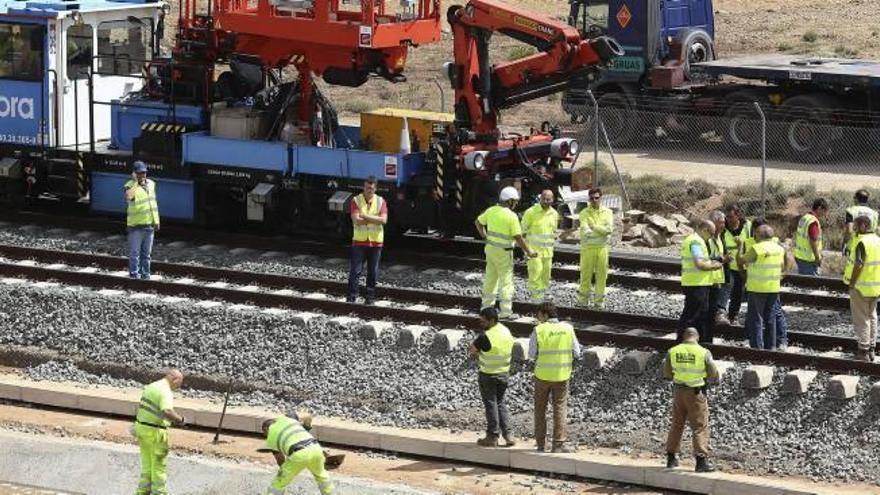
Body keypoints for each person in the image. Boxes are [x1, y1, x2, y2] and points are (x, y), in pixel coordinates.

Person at [475, 187, 537, 318]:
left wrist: (485, 237)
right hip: (504, 252)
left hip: (491, 249)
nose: (515, 204)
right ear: (510, 201)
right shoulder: (511, 216)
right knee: (506, 281)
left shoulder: (491, 210)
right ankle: (506, 311)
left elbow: (478, 222)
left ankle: (486, 307)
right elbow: (518, 237)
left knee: (490, 278)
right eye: (514, 201)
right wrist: (529, 251)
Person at [664, 327, 719, 473]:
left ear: (684, 337)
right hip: (695, 393)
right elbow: (713, 373)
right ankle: (701, 462)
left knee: (676, 424)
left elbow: (667, 373)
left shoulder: (673, 351)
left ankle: (671, 458)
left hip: (678, 392)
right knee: (699, 426)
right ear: (697, 337)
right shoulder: (703, 352)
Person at [528, 301, 580, 453]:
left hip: (542, 376)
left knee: (540, 409)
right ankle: (558, 444)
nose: (538, 318)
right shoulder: (568, 328)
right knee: (560, 408)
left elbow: (531, 354)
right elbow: (577, 352)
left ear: (545, 314)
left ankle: (540, 444)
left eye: (539, 315)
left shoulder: (538, 330)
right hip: (562, 376)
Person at [469, 307, 516, 447]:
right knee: (500, 402)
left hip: (488, 374)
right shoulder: (505, 330)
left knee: (491, 404)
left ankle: (492, 436)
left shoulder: (485, 336)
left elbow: (472, 350)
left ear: (492, 320)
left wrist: (476, 355)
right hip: (504, 373)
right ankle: (508, 435)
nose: (481, 324)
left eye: (483, 321)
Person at [133, 369, 185, 495]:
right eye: (179, 384)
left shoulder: (152, 386)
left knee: (147, 465)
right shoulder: (165, 391)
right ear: (175, 379)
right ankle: (160, 492)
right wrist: (180, 420)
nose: (178, 387)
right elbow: (166, 411)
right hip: (155, 433)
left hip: (141, 429)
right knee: (158, 466)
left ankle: (142, 492)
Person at [260, 412, 335, 495]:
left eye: (264, 433)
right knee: (322, 476)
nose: (265, 436)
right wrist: (307, 427)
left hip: (298, 454)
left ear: (266, 429)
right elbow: (307, 416)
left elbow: (280, 460)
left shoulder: (271, 438)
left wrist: (285, 472)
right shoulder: (287, 419)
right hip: (316, 448)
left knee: (278, 483)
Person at [739, 224, 786, 349]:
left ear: (759, 235)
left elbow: (741, 261)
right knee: (771, 318)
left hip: (757, 288)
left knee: (756, 319)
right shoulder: (779, 249)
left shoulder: (757, 248)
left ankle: (757, 348)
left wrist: (739, 247)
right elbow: (782, 265)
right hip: (773, 288)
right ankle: (771, 346)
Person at [677, 220, 723, 341]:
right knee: (692, 316)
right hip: (696, 284)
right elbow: (700, 264)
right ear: (704, 230)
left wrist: (711, 261)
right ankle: (683, 341)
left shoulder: (695, 240)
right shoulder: (696, 241)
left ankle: (691, 341)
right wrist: (715, 266)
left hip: (697, 282)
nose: (712, 237)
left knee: (695, 314)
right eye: (711, 233)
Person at [843, 215, 880, 361]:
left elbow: (859, 264)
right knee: (872, 317)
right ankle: (871, 349)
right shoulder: (878, 240)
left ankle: (863, 352)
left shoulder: (862, 242)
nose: (854, 228)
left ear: (864, 225)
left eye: (856, 225)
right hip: (875, 287)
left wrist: (852, 282)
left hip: (860, 287)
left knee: (862, 319)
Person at [347, 176, 388, 305]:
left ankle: (370, 298)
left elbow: (384, 220)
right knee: (355, 271)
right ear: (363, 187)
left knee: (373, 271)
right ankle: (352, 297)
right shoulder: (356, 200)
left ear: (375, 189)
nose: (368, 190)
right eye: (366, 188)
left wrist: (364, 216)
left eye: (371, 188)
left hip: (376, 242)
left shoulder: (380, 201)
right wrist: (374, 218)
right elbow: (356, 220)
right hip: (359, 241)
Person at [577, 188, 614, 309]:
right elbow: (585, 232)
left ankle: (599, 302)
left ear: (601, 198)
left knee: (602, 276)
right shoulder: (584, 213)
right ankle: (583, 301)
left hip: (602, 249)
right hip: (587, 249)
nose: (594, 200)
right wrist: (600, 231)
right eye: (592, 198)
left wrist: (594, 227)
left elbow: (609, 230)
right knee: (585, 275)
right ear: (589, 199)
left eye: (596, 198)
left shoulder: (608, 212)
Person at [521, 189, 560, 302]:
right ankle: (536, 300)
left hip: (548, 252)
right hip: (534, 252)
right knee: (535, 276)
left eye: (549, 199)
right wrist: (526, 251)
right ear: (540, 198)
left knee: (546, 277)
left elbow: (552, 232)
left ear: (552, 200)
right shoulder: (530, 212)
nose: (546, 201)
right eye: (544, 199)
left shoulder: (554, 214)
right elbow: (522, 233)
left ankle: (542, 299)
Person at [124, 161, 160, 280]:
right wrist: (135, 182)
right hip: (136, 226)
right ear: (134, 174)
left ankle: (146, 275)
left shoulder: (151, 184)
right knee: (135, 254)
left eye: (144, 172)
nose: (142, 175)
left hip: (149, 225)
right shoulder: (129, 186)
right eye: (139, 173)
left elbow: (153, 203)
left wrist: (156, 221)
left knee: (147, 254)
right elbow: (129, 197)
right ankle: (134, 275)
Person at [718, 204, 751, 324]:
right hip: (728, 264)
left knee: (739, 291)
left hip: (742, 265)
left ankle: (733, 316)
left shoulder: (747, 226)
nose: (728, 219)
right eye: (727, 217)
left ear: (738, 216)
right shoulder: (723, 228)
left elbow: (752, 241)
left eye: (731, 217)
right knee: (727, 286)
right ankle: (720, 312)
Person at [703, 211, 728, 343]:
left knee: (711, 313)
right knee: (705, 313)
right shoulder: (707, 239)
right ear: (713, 222)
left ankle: (708, 341)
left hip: (717, 280)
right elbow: (704, 258)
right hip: (707, 280)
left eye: (724, 222)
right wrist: (720, 258)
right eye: (721, 222)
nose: (724, 225)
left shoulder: (720, 237)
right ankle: (703, 340)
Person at [793, 198, 828, 276]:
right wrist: (817, 257)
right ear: (819, 208)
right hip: (808, 259)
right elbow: (813, 241)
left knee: (804, 281)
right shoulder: (813, 222)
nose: (824, 214)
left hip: (800, 256)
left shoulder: (804, 217)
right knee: (809, 283)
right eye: (824, 211)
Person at [844, 189, 878, 255]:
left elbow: (849, 231)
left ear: (856, 199)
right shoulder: (874, 213)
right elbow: (876, 230)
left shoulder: (851, 211)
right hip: (872, 244)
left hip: (856, 244)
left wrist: (845, 243)